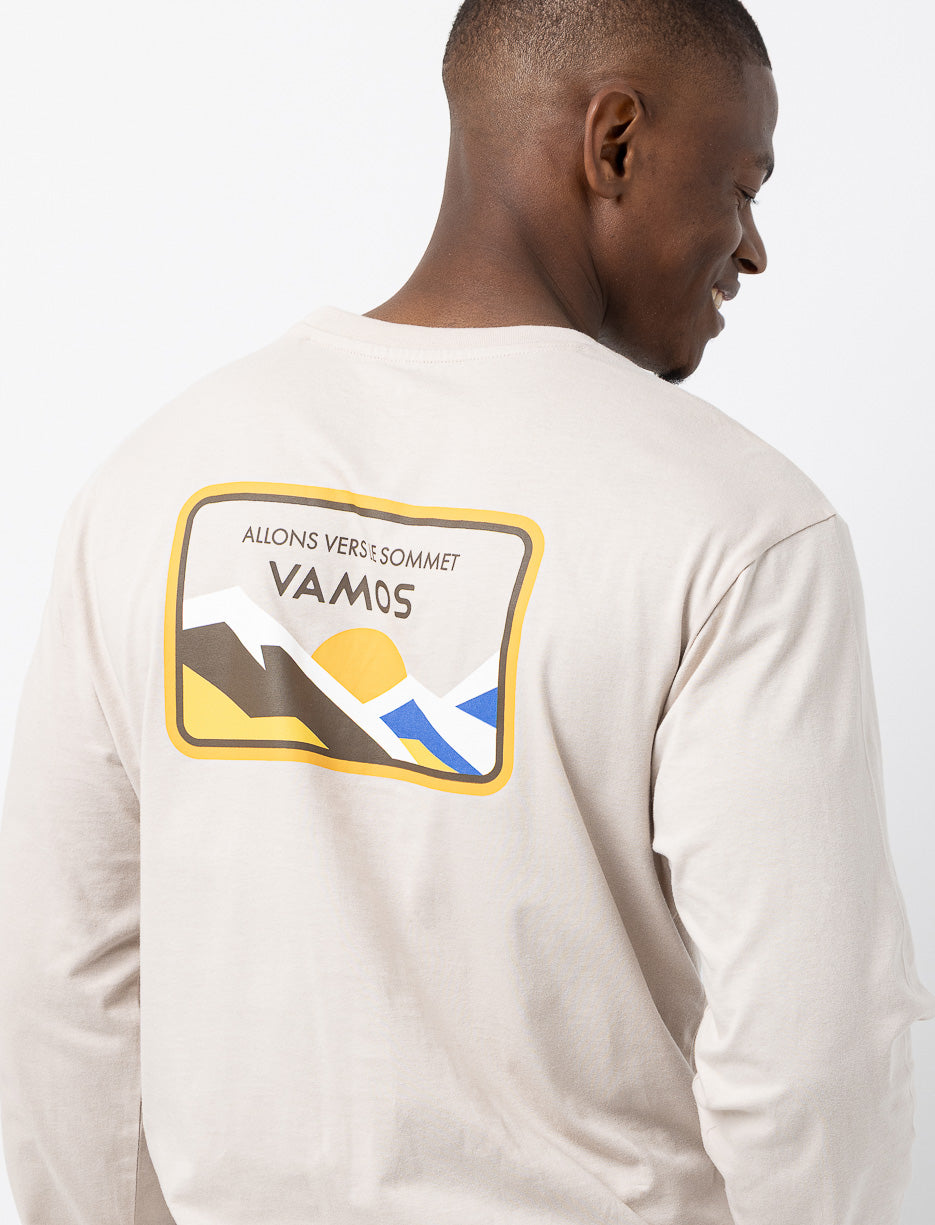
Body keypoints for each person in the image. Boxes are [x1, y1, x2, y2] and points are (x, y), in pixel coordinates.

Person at [0, 0, 932, 1223]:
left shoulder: (159, 481)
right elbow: (811, 1063)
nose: (751, 249)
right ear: (613, 143)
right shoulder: (739, 529)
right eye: (740, 186)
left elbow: (67, 979)